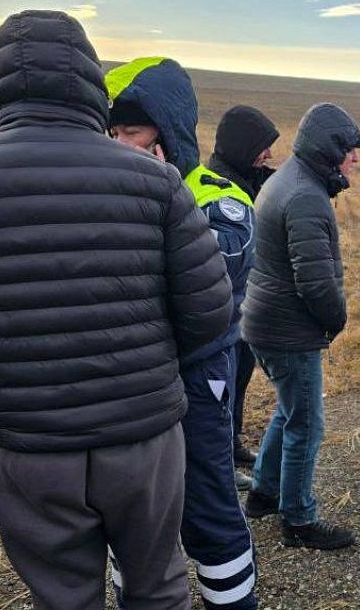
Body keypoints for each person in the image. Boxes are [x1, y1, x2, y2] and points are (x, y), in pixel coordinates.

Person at [0, 11, 233, 610]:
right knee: (158, 585)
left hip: (33, 442)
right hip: (144, 437)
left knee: (62, 597)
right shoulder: (156, 181)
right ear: (90, 84)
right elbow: (211, 314)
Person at [107, 57, 258, 610]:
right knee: (134, 517)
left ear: (167, 130)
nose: (120, 144)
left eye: (132, 130)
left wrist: (158, 191)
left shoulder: (221, 200)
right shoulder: (108, 193)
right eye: (112, 131)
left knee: (208, 508)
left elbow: (199, 294)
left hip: (197, 380)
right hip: (131, 385)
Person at [241, 102, 360, 550]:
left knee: (288, 409)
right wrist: (337, 320)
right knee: (307, 425)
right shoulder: (305, 197)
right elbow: (315, 283)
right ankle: (298, 520)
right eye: (350, 149)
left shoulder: (291, 180)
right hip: (286, 329)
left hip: (266, 321)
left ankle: (263, 493)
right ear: (330, 149)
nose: (355, 158)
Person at [209, 106, 281, 484]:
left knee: (239, 381)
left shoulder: (246, 179)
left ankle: (232, 443)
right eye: (262, 146)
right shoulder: (219, 186)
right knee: (221, 386)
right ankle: (220, 455)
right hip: (226, 308)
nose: (267, 154)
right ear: (242, 146)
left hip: (247, 305)